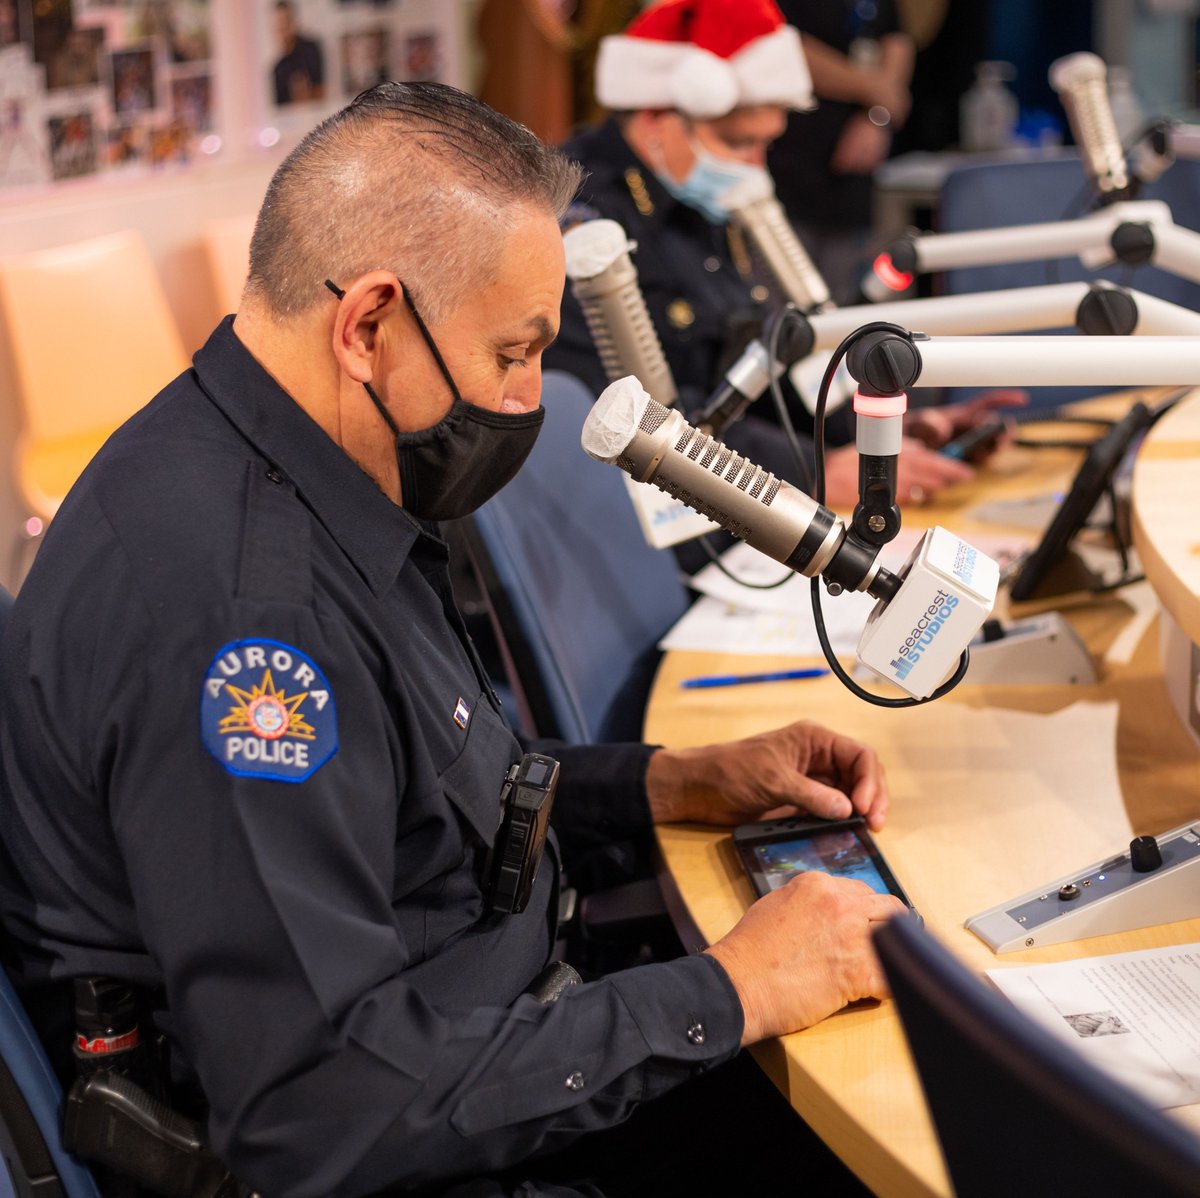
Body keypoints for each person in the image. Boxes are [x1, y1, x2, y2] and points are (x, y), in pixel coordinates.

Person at [0, 82, 904, 1197]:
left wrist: (674, 782)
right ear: (369, 326)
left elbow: (421, 795)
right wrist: (733, 991)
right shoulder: (246, 623)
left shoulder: (299, 469)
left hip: (489, 1031)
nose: (529, 400)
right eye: (514, 354)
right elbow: (321, 1105)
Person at [545, 0, 1019, 512]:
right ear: (657, 117)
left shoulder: (704, 196)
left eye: (765, 145)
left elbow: (769, 371)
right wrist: (812, 474)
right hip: (662, 521)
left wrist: (877, 441)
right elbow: (633, 419)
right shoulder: (583, 225)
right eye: (738, 142)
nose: (754, 168)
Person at [770, 0, 916, 306]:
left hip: (853, 177)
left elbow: (896, 40)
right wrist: (879, 93)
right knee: (782, 303)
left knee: (843, 304)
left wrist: (877, 116)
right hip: (786, 168)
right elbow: (787, 48)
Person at [272, 0, 325, 106]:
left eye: (285, 22)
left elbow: (322, 91)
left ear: (294, 22)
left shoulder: (311, 50)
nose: (282, 28)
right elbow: (281, 109)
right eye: (279, 23)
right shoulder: (278, 69)